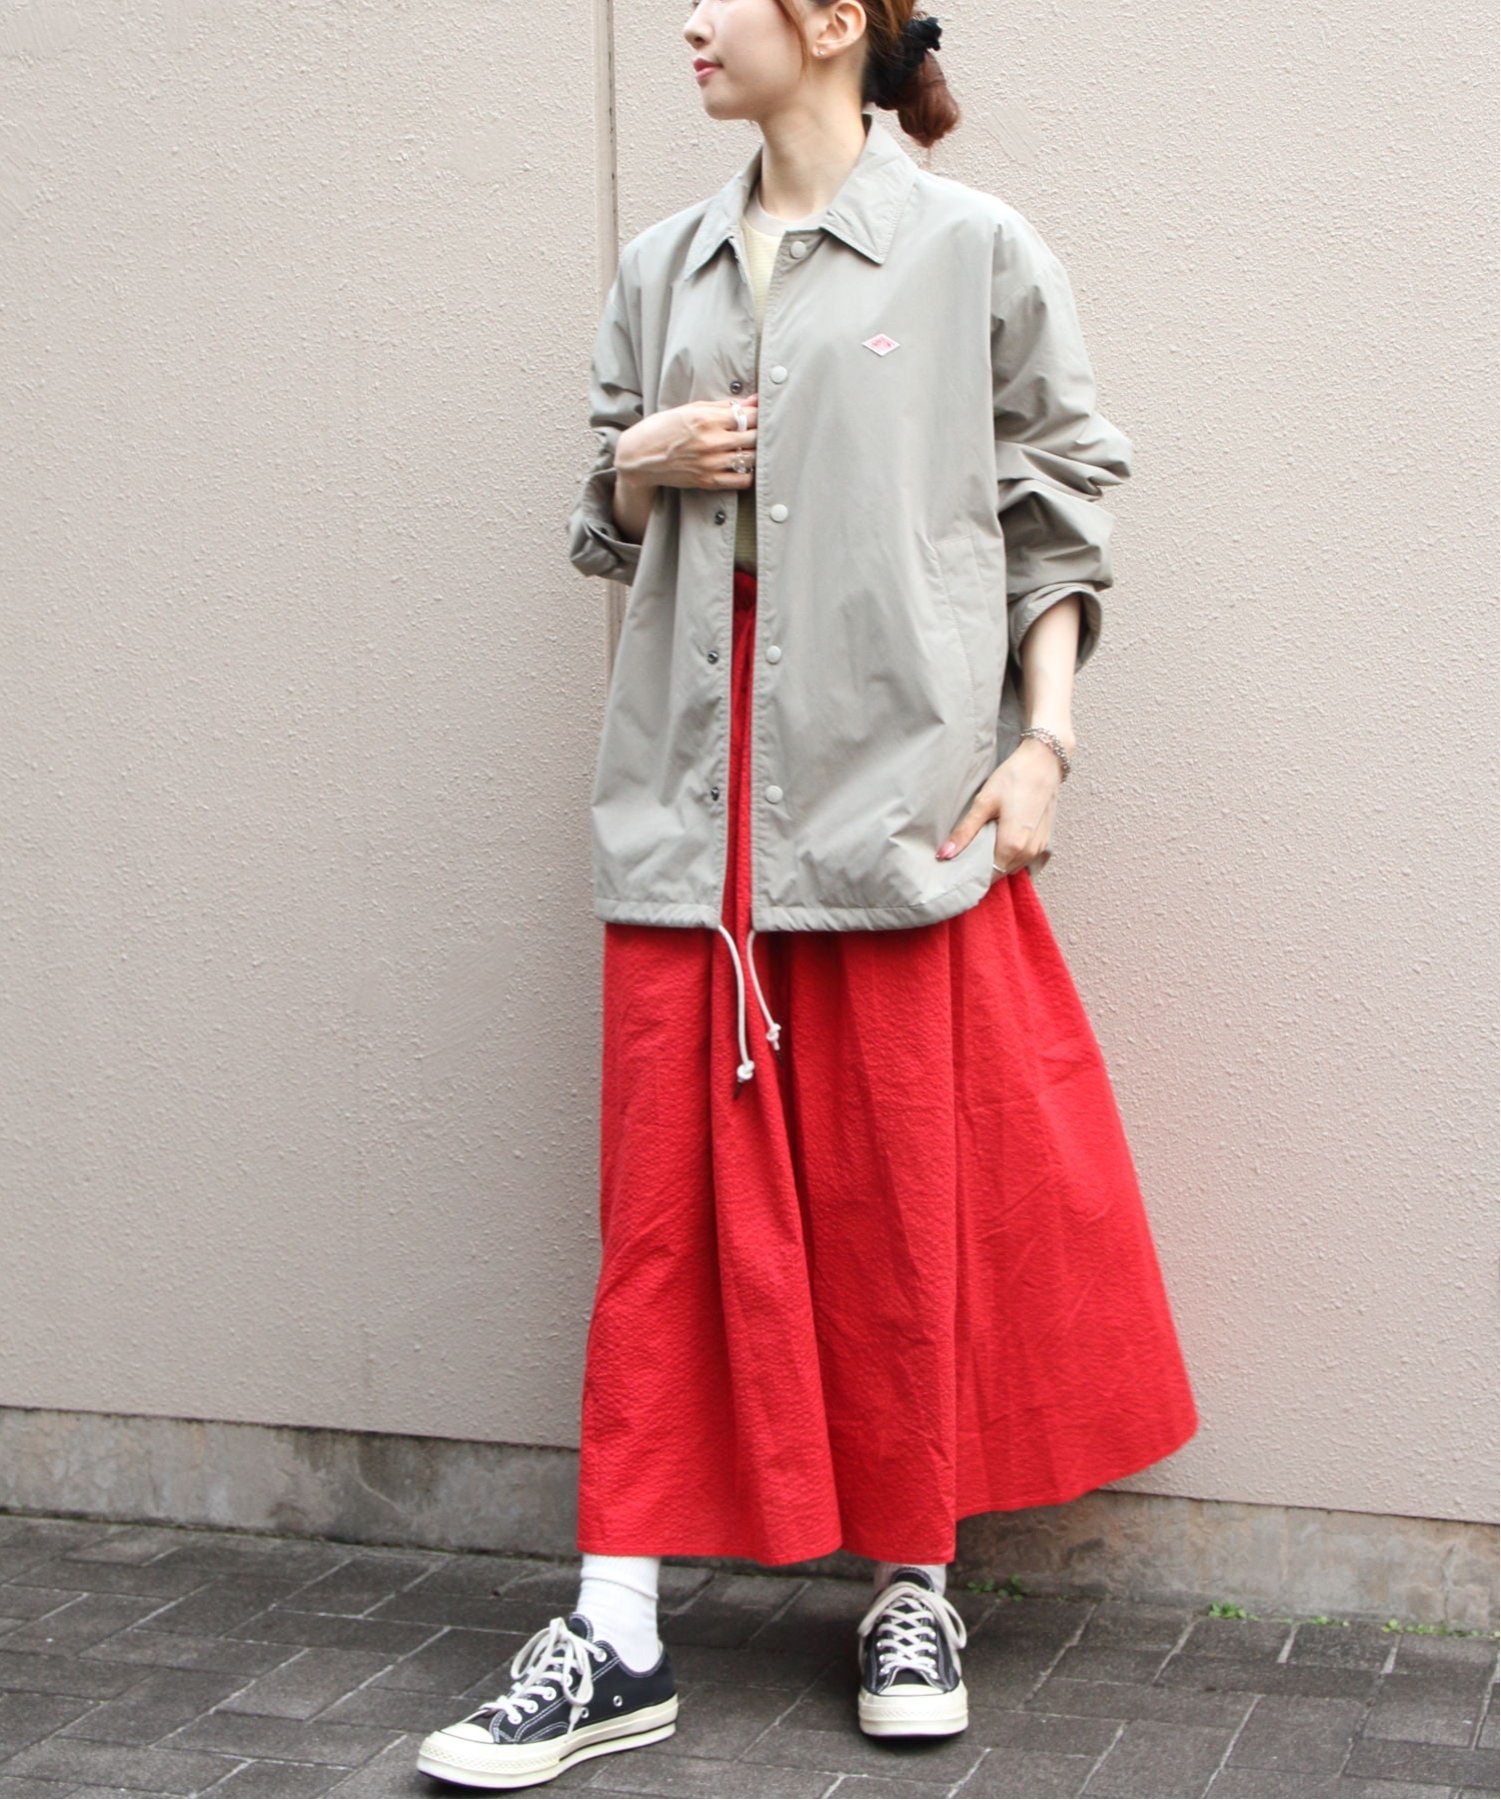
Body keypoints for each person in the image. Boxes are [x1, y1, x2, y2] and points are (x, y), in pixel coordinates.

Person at [417, 0, 1200, 1787]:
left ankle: (911, 1584)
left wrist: (1040, 745)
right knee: (658, 1208)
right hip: (684, 799)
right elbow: (603, 526)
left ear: (835, 22)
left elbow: (1057, 505)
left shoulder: (970, 248)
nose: (689, 23)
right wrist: (637, 465)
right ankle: (615, 1627)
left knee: (898, 1188)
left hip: (891, 793)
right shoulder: (661, 265)